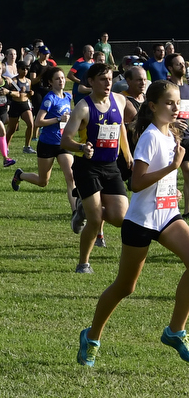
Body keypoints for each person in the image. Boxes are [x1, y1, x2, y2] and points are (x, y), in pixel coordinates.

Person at [78, 81, 189, 367]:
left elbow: (160, 179)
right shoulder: (150, 137)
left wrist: (171, 185)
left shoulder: (172, 135)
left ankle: (175, 332)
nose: (175, 107)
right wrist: (171, 168)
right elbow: (136, 183)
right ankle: (91, 337)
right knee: (125, 287)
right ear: (152, 106)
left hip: (167, 216)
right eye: (169, 103)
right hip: (140, 222)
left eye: (177, 102)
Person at [64, 63, 132, 274]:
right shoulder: (83, 107)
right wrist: (81, 147)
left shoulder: (119, 101)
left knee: (121, 218)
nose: (108, 82)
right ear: (91, 82)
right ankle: (83, 263)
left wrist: (128, 154)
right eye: (103, 79)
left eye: (110, 78)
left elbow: (121, 126)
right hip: (88, 167)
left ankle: (85, 207)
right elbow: (65, 140)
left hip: (111, 166)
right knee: (95, 220)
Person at [12, 66, 78, 218]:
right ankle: (20, 175)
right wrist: (57, 119)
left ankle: (75, 212)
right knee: (43, 181)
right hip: (47, 144)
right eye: (57, 79)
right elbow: (38, 122)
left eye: (62, 78)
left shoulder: (67, 97)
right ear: (50, 82)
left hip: (63, 143)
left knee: (71, 177)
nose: (61, 81)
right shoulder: (49, 99)